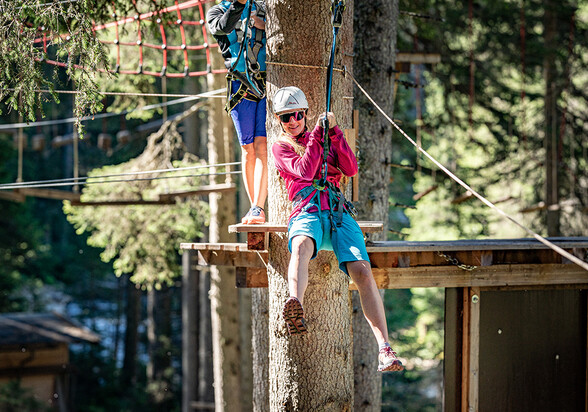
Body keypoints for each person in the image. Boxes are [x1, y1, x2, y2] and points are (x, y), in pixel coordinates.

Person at [271, 86, 404, 373]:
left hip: (337, 213)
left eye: (296, 115)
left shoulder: (325, 136)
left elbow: (351, 168)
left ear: (305, 114)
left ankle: (385, 349)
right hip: (307, 208)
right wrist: (320, 136)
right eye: (285, 117)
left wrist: (335, 133)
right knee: (301, 246)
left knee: (363, 272)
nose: (292, 121)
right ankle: (295, 301)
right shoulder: (280, 146)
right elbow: (306, 171)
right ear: (279, 121)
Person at [207, 0, 268, 224]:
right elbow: (222, 27)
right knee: (247, 148)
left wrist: (265, 26)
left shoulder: (263, 8)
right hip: (241, 86)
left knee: (263, 145)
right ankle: (254, 206)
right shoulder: (217, 12)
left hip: (266, 83)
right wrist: (240, 5)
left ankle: (258, 207)